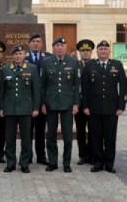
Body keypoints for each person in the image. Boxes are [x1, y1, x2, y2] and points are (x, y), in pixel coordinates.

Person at [83, 40, 127, 174]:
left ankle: (109, 164)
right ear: (97, 52)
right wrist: (85, 106)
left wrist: (121, 106)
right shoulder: (90, 65)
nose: (103, 51)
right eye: (100, 49)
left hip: (111, 108)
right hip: (94, 108)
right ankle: (97, 163)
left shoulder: (117, 65)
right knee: (95, 137)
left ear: (109, 51)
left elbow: (123, 87)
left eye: (105, 49)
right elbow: (85, 87)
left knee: (110, 137)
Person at [40, 36, 80, 173]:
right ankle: (52, 162)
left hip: (67, 104)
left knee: (68, 136)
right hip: (51, 104)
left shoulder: (74, 62)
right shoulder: (46, 62)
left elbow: (76, 85)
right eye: (57, 45)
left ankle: (66, 163)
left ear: (66, 47)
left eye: (62, 45)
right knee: (51, 135)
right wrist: (43, 103)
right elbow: (42, 85)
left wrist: (76, 103)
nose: (60, 48)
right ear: (53, 48)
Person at [0, 45, 41, 173]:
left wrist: (35, 108)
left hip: (26, 109)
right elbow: (1, 90)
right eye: (16, 54)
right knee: (10, 137)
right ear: (13, 56)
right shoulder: (5, 69)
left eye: (21, 54)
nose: (18, 56)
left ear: (24, 55)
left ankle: (24, 163)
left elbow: (36, 90)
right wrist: (1, 107)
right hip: (10, 108)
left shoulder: (32, 69)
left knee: (26, 138)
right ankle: (10, 163)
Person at [24, 32, 50, 165]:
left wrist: (44, 102)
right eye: (33, 41)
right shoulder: (23, 58)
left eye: (38, 41)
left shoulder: (48, 58)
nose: (36, 44)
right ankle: (27, 156)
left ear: (42, 44)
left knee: (40, 131)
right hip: (28, 101)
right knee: (27, 131)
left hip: (42, 102)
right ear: (29, 44)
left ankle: (41, 156)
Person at [75, 39, 95, 165]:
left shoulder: (95, 64)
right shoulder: (75, 65)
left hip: (93, 104)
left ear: (91, 52)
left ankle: (92, 155)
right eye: (83, 51)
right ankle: (82, 155)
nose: (85, 53)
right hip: (80, 103)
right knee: (80, 131)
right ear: (79, 52)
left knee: (93, 131)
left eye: (88, 51)